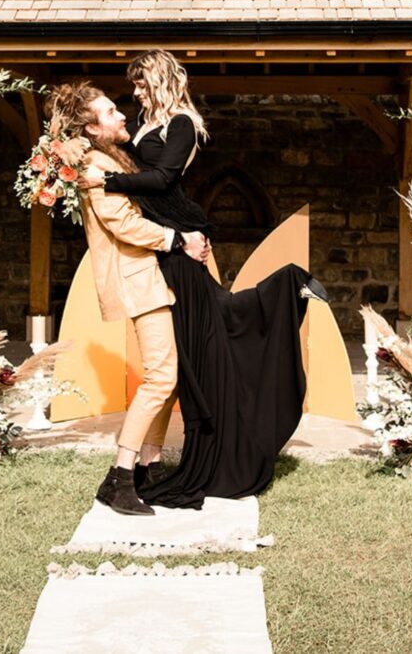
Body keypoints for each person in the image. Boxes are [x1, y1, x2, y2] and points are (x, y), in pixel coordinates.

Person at [76, 49, 329, 509]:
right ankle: (145, 467)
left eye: (138, 84)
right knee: (187, 357)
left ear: (158, 80)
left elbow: (161, 178)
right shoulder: (143, 123)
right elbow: (119, 160)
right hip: (169, 248)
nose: (132, 94)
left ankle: (289, 283)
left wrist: (106, 183)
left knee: (218, 325)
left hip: (178, 242)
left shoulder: (182, 124)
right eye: (128, 91)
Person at [44, 81, 210, 516]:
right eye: (110, 113)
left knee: (167, 376)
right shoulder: (93, 163)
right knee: (160, 378)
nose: (122, 117)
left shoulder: (111, 157)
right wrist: (179, 240)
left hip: (149, 276)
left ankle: (148, 466)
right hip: (136, 278)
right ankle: (119, 477)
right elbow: (123, 225)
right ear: (92, 129)